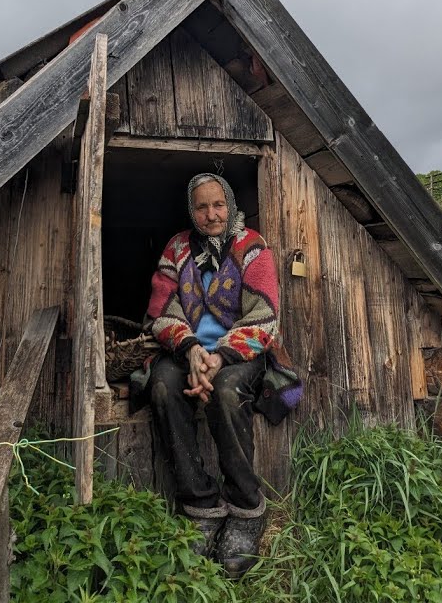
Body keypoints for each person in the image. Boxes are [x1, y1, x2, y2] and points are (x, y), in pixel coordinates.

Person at [130, 173, 302, 579]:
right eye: (202, 207)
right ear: (192, 211)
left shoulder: (252, 248)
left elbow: (264, 318)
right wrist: (191, 349)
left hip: (241, 351)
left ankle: (246, 510)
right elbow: (161, 311)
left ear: (230, 205)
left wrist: (219, 357)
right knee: (161, 386)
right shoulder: (177, 249)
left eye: (218, 205)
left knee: (226, 392)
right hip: (186, 349)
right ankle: (202, 506)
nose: (212, 215)